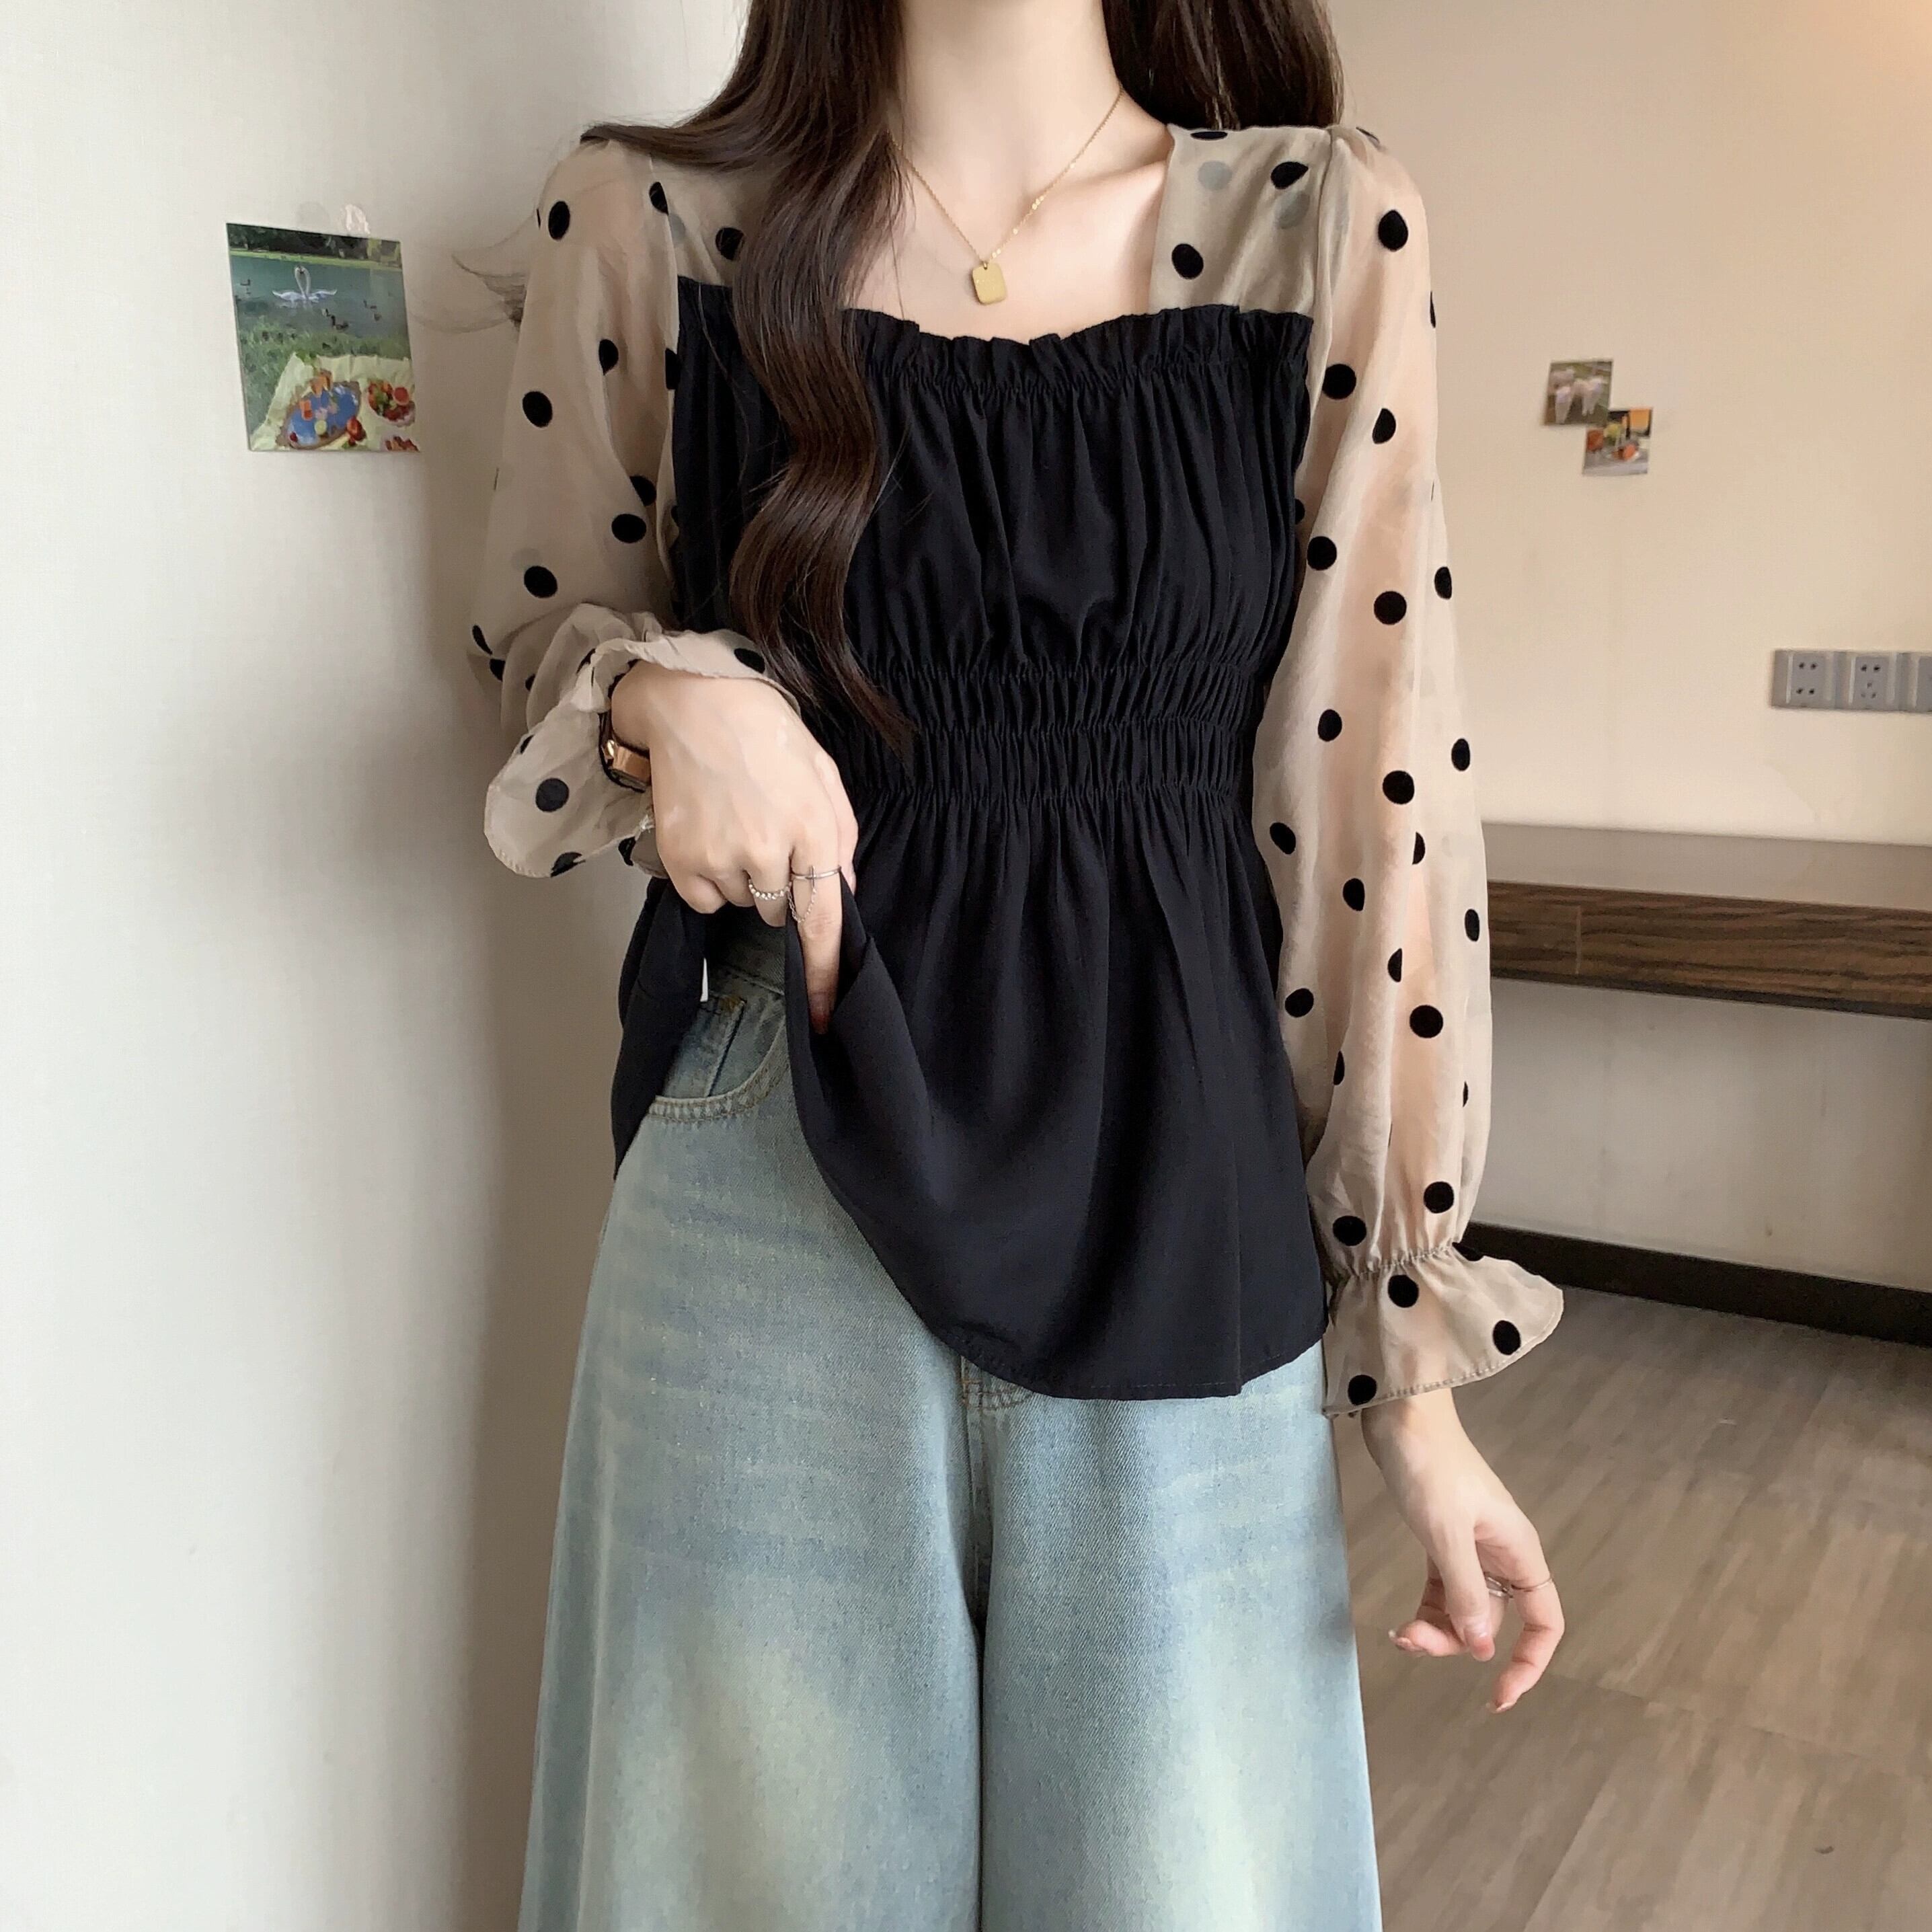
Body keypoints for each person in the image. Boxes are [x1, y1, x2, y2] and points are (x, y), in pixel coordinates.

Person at [464, 3, 1567, 1925]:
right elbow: (538, 642)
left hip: (1179, 1183)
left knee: (1178, 1887)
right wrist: (665, 694)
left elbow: (1372, 798)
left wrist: (1411, 1368)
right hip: (771, 1180)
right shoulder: (645, 223)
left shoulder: (1316, 228)